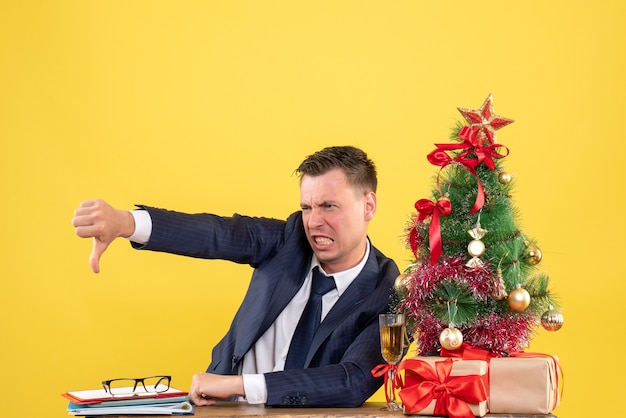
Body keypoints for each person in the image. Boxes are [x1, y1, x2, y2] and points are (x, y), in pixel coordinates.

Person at [72, 145, 400, 407]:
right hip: (222, 409)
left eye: (328, 206)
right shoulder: (289, 240)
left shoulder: (389, 288)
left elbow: (354, 380)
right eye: (306, 207)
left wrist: (240, 386)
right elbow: (217, 234)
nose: (313, 222)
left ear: (368, 205)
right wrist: (126, 223)